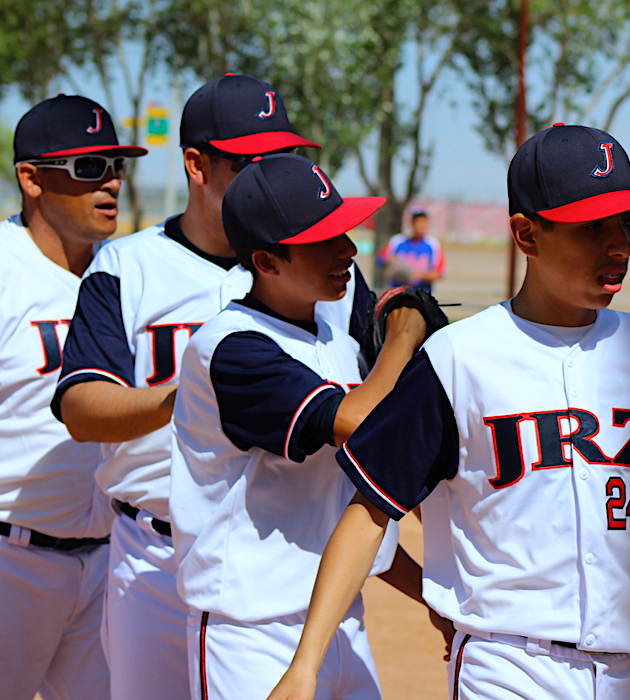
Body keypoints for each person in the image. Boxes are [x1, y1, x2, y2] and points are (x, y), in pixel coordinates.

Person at [266, 123, 630, 700]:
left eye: (623, 222)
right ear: (526, 233)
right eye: (592, 227)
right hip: (504, 662)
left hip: (619, 672)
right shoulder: (460, 357)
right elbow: (369, 512)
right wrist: (305, 664)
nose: (618, 245)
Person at [50, 74, 378, 700]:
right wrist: (198, 397)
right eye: (251, 157)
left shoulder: (330, 273)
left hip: (299, 555)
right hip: (157, 554)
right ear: (196, 165)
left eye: (284, 155)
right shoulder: (129, 266)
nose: (271, 169)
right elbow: (83, 408)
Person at [169, 154, 449, 699]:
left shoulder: (334, 338)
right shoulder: (232, 346)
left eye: (343, 230)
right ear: (267, 261)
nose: (348, 250)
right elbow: (360, 423)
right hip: (250, 634)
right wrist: (402, 334)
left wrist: (432, 599)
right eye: (323, 238)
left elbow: (355, 509)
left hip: (339, 618)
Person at [0, 95, 145, 700]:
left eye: (116, 166)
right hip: (12, 561)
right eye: (88, 168)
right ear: (31, 179)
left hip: (112, 562)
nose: (109, 182)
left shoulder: (129, 276)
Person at [378, 208, 446, 292]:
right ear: (412, 223)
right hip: (397, 291)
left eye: (423, 222)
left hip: (421, 293)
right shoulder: (398, 241)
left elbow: (440, 273)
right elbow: (379, 259)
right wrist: (389, 261)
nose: (420, 225)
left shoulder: (433, 245)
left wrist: (419, 275)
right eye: (417, 221)